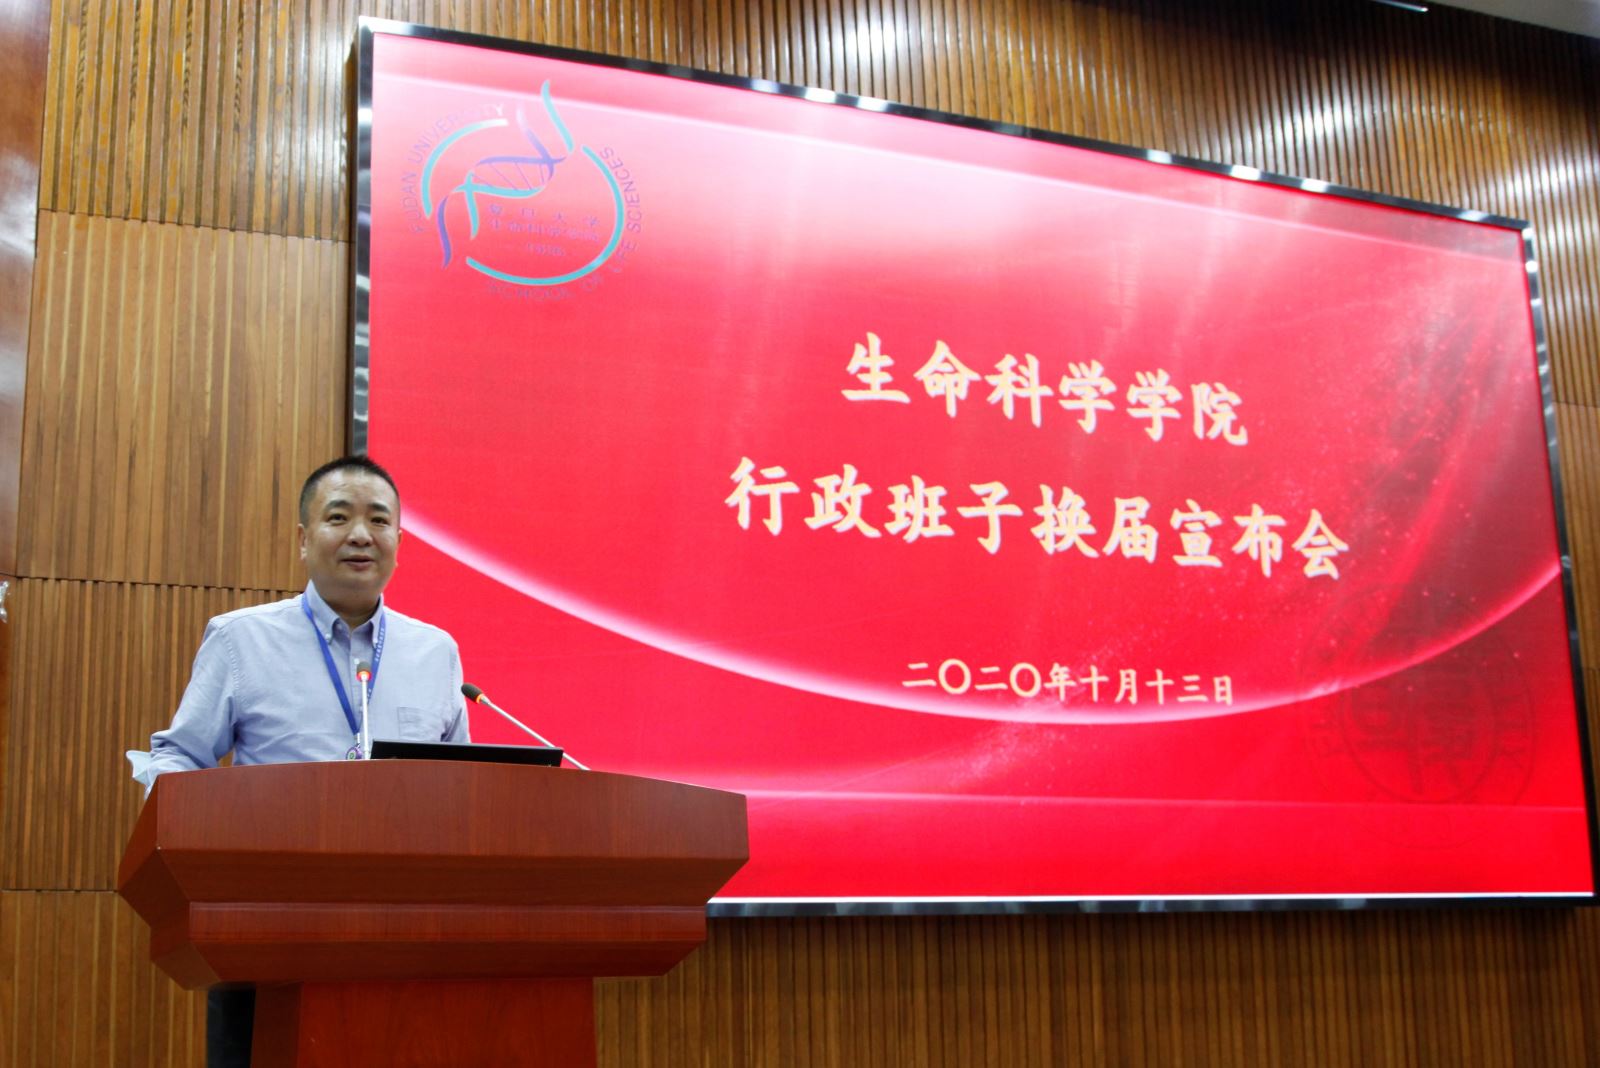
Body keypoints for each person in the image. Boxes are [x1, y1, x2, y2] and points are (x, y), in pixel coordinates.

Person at [128, 454, 470, 1067]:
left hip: (407, 938)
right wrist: (210, 837)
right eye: (338, 517)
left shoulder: (435, 651)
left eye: (379, 520)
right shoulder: (240, 639)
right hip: (267, 932)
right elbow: (177, 755)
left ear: (399, 541)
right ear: (304, 539)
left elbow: (464, 789)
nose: (361, 535)